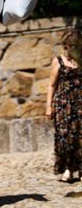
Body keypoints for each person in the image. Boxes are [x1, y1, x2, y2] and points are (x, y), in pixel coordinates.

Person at [46, 28, 82, 182]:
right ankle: (67, 167)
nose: (68, 49)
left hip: (80, 102)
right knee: (64, 137)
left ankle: (80, 169)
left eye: (71, 45)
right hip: (63, 104)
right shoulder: (58, 61)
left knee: (80, 137)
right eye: (66, 45)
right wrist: (49, 106)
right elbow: (51, 85)